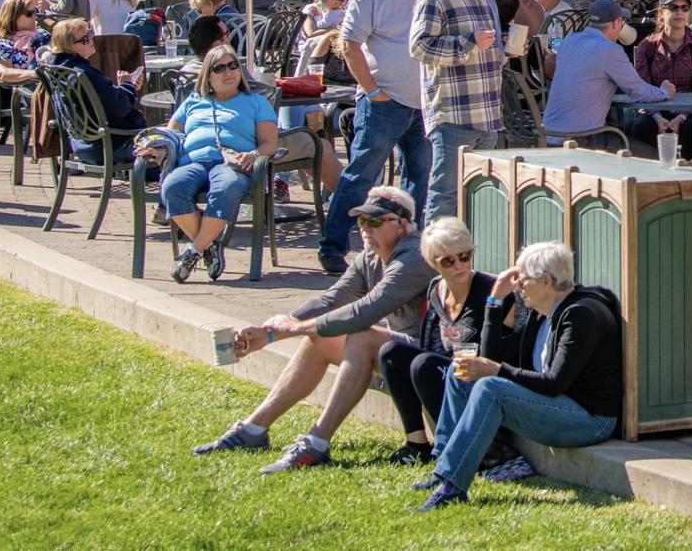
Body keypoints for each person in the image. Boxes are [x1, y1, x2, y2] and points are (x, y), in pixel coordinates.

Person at [197, 186, 436, 472]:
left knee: (360, 335)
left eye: (374, 221)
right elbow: (332, 299)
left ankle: (317, 443)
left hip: (432, 361)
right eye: (361, 221)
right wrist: (271, 329)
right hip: (398, 358)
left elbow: (366, 311)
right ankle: (253, 429)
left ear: (402, 224)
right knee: (318, 338)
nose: (365, 229)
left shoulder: (414, 257)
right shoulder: (370, 257)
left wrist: (289, 330)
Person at [412, 241, 623, 510]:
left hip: (589, 419)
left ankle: (452, 485)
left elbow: (554, 383)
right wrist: (494, 301)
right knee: (461, 372)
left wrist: (497, 371)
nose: (518, 289)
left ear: (545, 280)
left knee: (491, 387)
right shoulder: (542, 313)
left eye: (522, 281)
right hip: (554, 406)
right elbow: (491, 357)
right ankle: (443, 467)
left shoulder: (582, 315)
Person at [320, 0, 433, 275]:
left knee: (419, 177)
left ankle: (407, 247)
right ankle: (332, 246)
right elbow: (349, 43)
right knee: (360, 176)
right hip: (383, 101)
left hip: (422, 103)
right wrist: (371, 91)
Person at [156, 44, 278, 284]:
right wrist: (157, 147)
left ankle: (193, 251)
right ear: (207, 76)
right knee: (172, 187)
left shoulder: (255, 102)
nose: (228, 72)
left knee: (226, 186)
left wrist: (253, 154)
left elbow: (269, 143)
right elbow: (170, 136)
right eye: (219, 68)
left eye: (233, 65)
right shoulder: (193, 101)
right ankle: (209, 246)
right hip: (193, 161)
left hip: (232, 163)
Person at [377, 216, 494, 465]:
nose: (459, 265)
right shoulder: (436, 289)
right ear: (433, 263)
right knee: (391, 352)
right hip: (447, 372)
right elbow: (430, 342)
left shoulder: (490, 290)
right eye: (448, 261)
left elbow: (498, 351)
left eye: (465, 256)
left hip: (479, 378)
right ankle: (416, 443)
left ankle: (457, 447)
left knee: (424, 364)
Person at [409, 0, 503, 223]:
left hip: (487, 114)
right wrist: (468, 42)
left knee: (480, 197)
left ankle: (466, 264)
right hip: (453, 115)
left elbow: (487, 44)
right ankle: (433, 265)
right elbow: (419, 48)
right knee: (445, 196)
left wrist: (507, 49)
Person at [540, 0, 671, 144]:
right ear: (616, 23)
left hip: (548, 135)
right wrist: (665, 92)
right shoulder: (610, 50)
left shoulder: (569, 41)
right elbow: (640, 92)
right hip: (580, 140)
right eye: (622, 22)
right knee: (654, 157)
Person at [628, 0, 692, 158]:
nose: (679, 12)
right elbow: (641, 89)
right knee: (641, 128)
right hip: (654, 109)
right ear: (662, 12)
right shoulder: (647, 46)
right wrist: (658, 117)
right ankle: (648, 176)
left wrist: (680, 117)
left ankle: (690, 175)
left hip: (689, 111)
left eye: (684, 8)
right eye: (673, 7)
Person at [43, 18, 148, 153]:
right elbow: (119, 107)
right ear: (68, 46)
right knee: (164, 151)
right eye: (85, 39)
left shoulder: (61, 71)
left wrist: (128, 87)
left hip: (79, 143)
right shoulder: (83, 73)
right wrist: (127, 84)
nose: (91, 40)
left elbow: (98, 102)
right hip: (109, 145)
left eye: (90, 34)